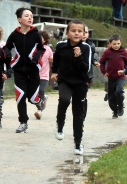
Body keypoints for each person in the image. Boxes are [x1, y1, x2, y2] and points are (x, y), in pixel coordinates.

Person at [51, 19, 91, 155]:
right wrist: (54, 72)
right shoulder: (61, 46)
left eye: (80, 31)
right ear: (67, 33)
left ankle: (78, 143)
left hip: (80, 83)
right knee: (64, 100)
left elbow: (86, 68)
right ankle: (60, 125)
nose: (77, 33)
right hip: (65, 81)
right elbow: (56, 59)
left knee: (78, 115)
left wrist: (78, 56)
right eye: (73, 31)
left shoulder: (86, 48)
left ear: (84, 33)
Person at [5, 7, 45, 133]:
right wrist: (8, 56)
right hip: (19, 70)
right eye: (27, 16)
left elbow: (41, 49)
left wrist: (35, 59)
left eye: (31, 16)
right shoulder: (14, 35)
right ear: (19, 19)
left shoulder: (35, 34)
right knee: (20, 96)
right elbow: (7, 47)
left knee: (32, 98)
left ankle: (39, 102)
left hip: (33, 69)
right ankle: (23, 122)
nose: (30, 18)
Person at [99, 35, 127, 118]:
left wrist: (125, 71)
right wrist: (104, 72)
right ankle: (115, 111)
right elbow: (101, 62)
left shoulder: (123, 52)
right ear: (110, 44)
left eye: (118, 43)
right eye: (114, 44)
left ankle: (120, 106)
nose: (117, 46)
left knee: (119, 91)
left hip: (120, 77)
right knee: (111, 97)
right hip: (111, 77)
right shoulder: (107, 52)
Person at [34, 30, 53, 119]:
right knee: (33, 93)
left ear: (44, 40)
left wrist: (52, 59)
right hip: (33, 74)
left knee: (40, 90)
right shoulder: (33, 48)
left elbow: (52, 58)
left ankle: (39, 110)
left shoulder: (48, 49)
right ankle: (43, 99)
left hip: (44, 75)